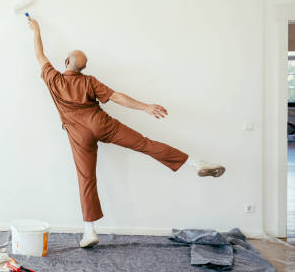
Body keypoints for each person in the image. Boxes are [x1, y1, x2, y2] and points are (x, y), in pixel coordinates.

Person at [27, 17, 225, 248]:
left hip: (78, 133)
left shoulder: (54, 79)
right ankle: (195, 162)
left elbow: (40, 55)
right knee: (145, 144)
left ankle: (90, 231)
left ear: (67, 61)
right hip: (101, 123)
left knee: (86, 178)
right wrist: (145, 107)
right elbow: (117, 97)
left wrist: (36, 30)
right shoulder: (89, 81)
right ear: (83, 67)